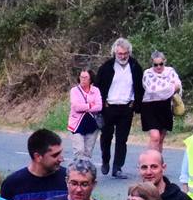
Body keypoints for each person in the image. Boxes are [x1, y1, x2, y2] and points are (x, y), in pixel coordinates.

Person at [94, 38, 142, 178]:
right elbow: (98, 87)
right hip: (109, 107)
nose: (122, 56)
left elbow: (139, 87)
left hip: (127, 107)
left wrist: (135, 104)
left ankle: (117, 167)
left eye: (125, 53)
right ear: (115, 52)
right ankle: (105, 160)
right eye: (120, 53)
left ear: (129, 53)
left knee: (122, 139)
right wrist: (101, 104)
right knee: (106, 137)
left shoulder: (135, 67)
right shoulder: (106, 67)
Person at [137, 50, 182, 154]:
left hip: (165, 107)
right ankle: (148, 161)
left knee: (160, 139)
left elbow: (178, 86)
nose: (158, 67)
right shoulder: (147, 73)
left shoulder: (170, 71)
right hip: (150, 107)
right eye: (155, 64)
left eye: (161, 64)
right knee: (155, 137)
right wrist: (170, 88)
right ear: (152, 63)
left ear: (164, 62)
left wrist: (170, 89)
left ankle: (157, 163)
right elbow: (153, 89)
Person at [66, 70, 103, 160]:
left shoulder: (96, 90)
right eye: (81, 77)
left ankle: (85, 172)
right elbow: (76, 107)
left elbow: (99, 106)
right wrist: (90, 105)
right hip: (77, 124)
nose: (83, 79)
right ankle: (77, 171)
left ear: (90, 79)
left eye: (85, 77)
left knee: (87, 152)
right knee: (79, 150)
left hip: (92, 124)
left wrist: (84, 107)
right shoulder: (74, 91)